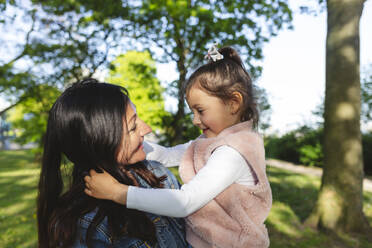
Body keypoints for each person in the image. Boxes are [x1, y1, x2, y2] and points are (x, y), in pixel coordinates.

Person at [84, 46, 272, 248]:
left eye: (200, 110)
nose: (195, 120)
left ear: (234, 103)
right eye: (192, 111)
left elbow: (185, 202)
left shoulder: (232, 153)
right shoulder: (211, 143)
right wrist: (127, 144)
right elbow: (169, 154)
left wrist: (117, 192)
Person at [37, 79, 189, 248]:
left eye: (138, 118)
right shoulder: (88, 226)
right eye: (132, 128)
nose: (147, 128)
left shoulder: (156, 172)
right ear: (100, 143)